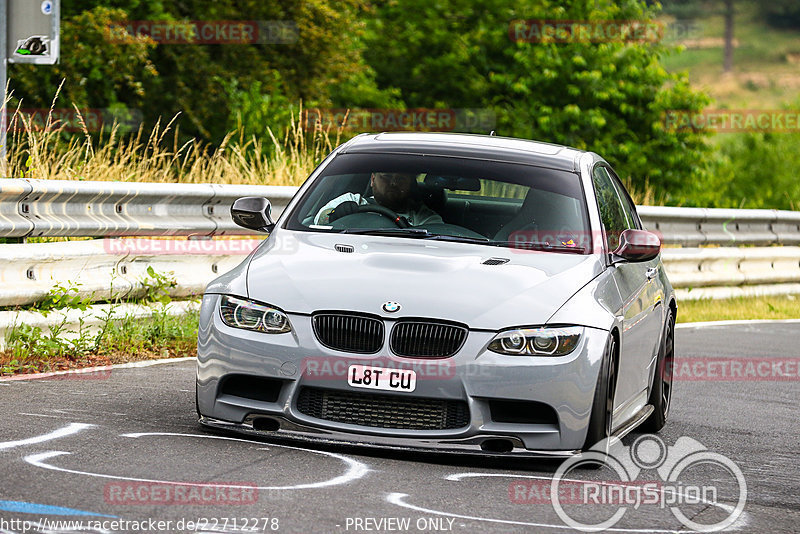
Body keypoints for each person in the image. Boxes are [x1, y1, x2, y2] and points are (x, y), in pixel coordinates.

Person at [314, 172, 443, 226]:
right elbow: (318, 221)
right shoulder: (353, 201)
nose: (393, 183)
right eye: (386, 177)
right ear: (373, 179)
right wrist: (334, 215)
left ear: (410, 184)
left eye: (401, 179)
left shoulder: (424, 218)